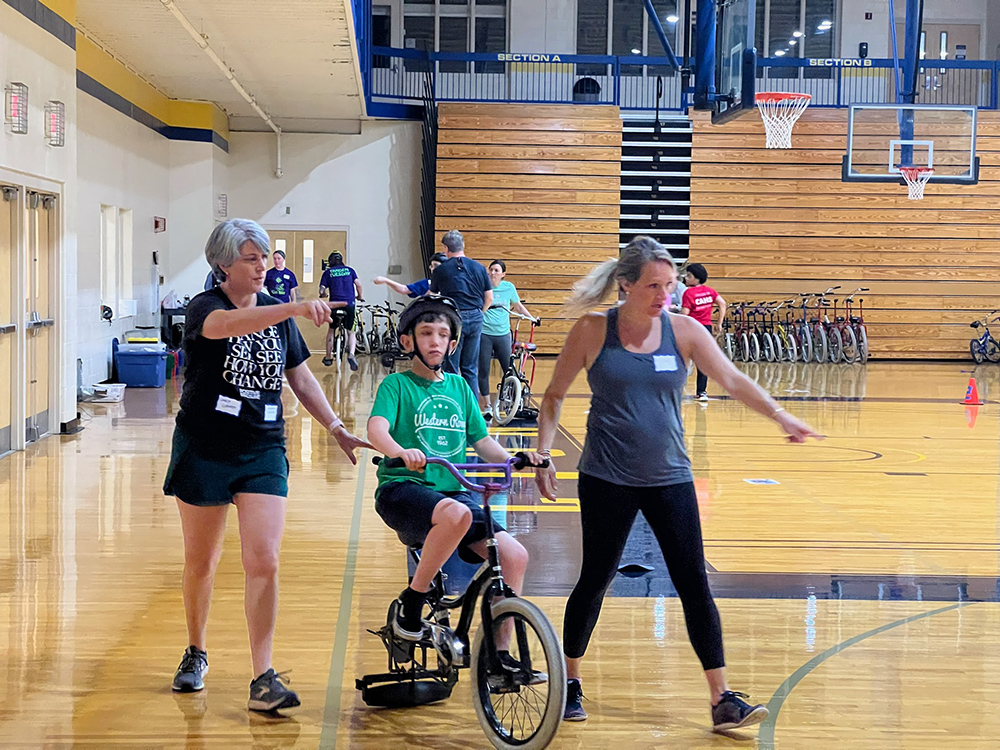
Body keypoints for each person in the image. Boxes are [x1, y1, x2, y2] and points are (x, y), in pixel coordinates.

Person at [531, 236, 819, 730]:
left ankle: (721, 698)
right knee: (595, 579)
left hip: (671, 476)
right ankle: (570, 679)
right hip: (607, 477)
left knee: (694, 584)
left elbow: (730, 378)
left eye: (670, 284)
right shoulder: (592, 330)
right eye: (654, 286)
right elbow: (554, 395)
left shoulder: (684, 331)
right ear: (624, 285)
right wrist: (543, 453)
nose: (666, 295)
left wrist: (779, 415)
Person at [163, 219, 371, 713]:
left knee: (265, 559)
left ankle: (263, 676)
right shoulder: (204, 308)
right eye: (250, 259)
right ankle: (196, 650)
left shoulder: (278, 318)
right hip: (205, 447)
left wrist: (336, 427)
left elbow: (301, 379)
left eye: (263, 258)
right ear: (223, 265)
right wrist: (294, 306)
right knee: (202, 562)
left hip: (262, 449)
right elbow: (225, 328)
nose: (261, 267)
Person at [366, 296, 540, 655]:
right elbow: (376, 429)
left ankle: (500, 657)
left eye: (442, 335)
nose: (434, 341)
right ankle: (413, 601)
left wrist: (514, 459)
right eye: (426, 333)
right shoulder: (397, 386)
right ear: (407, 341)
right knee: (457, 514)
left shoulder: (460, 388)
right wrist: (399, 452)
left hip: (452, 495)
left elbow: (483, 441)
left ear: (452, 343)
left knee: (514, 555)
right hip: (403, 490)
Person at [430, 230, 492, 396]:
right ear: (463, 245)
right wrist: (479, 313)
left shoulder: (440, 270)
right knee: (470, 368)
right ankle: (471, 409)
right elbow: (489, 298)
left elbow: (433, 295)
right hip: (476, 316)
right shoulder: (479, 268)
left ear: (445, 248)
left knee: (451, 366)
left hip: (454, 318)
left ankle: (452, 403)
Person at [479, 260, 537, 414]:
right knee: (483, 370)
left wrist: (532, 318)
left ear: (503, 274)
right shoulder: (483, 286)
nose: (493, 273)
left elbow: (518, 306)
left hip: (503, 334)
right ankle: (487, 406)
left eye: (496, 270)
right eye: (491, 270)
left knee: (509, 369)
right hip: (484, 333)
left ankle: (512, 401)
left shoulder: (509, 287)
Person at [681, 263, 728, 402]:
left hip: (691, 328)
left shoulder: (688, 293)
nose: (686, 278)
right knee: (703, 361)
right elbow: (722, 304)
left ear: (697, 279)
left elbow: (685, 314)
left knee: (683, 358)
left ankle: (678, 388)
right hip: (706, 329)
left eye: (689, 276)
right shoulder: (710, 291)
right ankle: (701, 392)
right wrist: (719, 323)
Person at [318, 252, 364, 371]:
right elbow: (358, 284)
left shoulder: (328, 273)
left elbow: (322, 289)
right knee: (351, 331)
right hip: (349, 304)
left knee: (332, 329)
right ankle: (351, 354)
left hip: (334, 305)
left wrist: (323, 294)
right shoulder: (350, 270)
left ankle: (328, 357)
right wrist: (359, 296)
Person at [373, 253, 447, 298]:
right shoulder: (427, 284)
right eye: (432, 266)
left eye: (436, 266)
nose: (432, 268)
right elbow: (404, 289)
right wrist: (386, 280)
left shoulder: (455, 284)